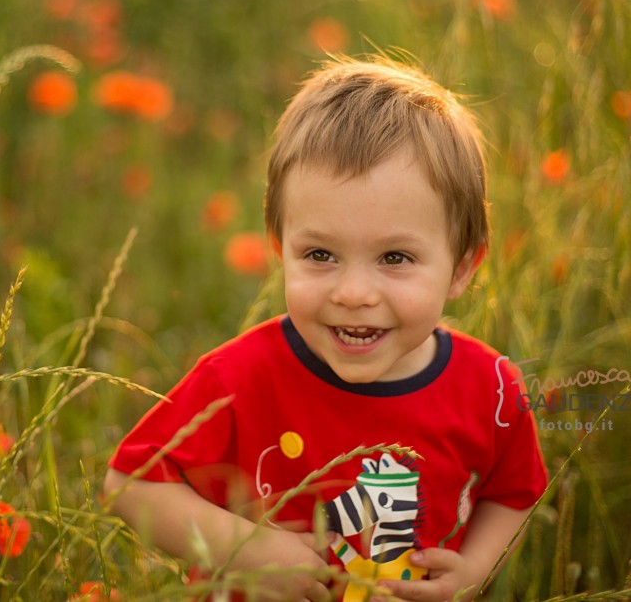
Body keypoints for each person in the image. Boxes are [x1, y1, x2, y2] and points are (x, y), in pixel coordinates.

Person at [104, 57, 547, 601]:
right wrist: (246, 551)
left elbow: (514, 490)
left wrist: (474, 568)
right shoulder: (240, 378)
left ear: (461, 268)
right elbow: (130, 483)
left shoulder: (490, 387)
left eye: (395, 257)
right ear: (279, 249)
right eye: (320, 254)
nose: (353, 293)